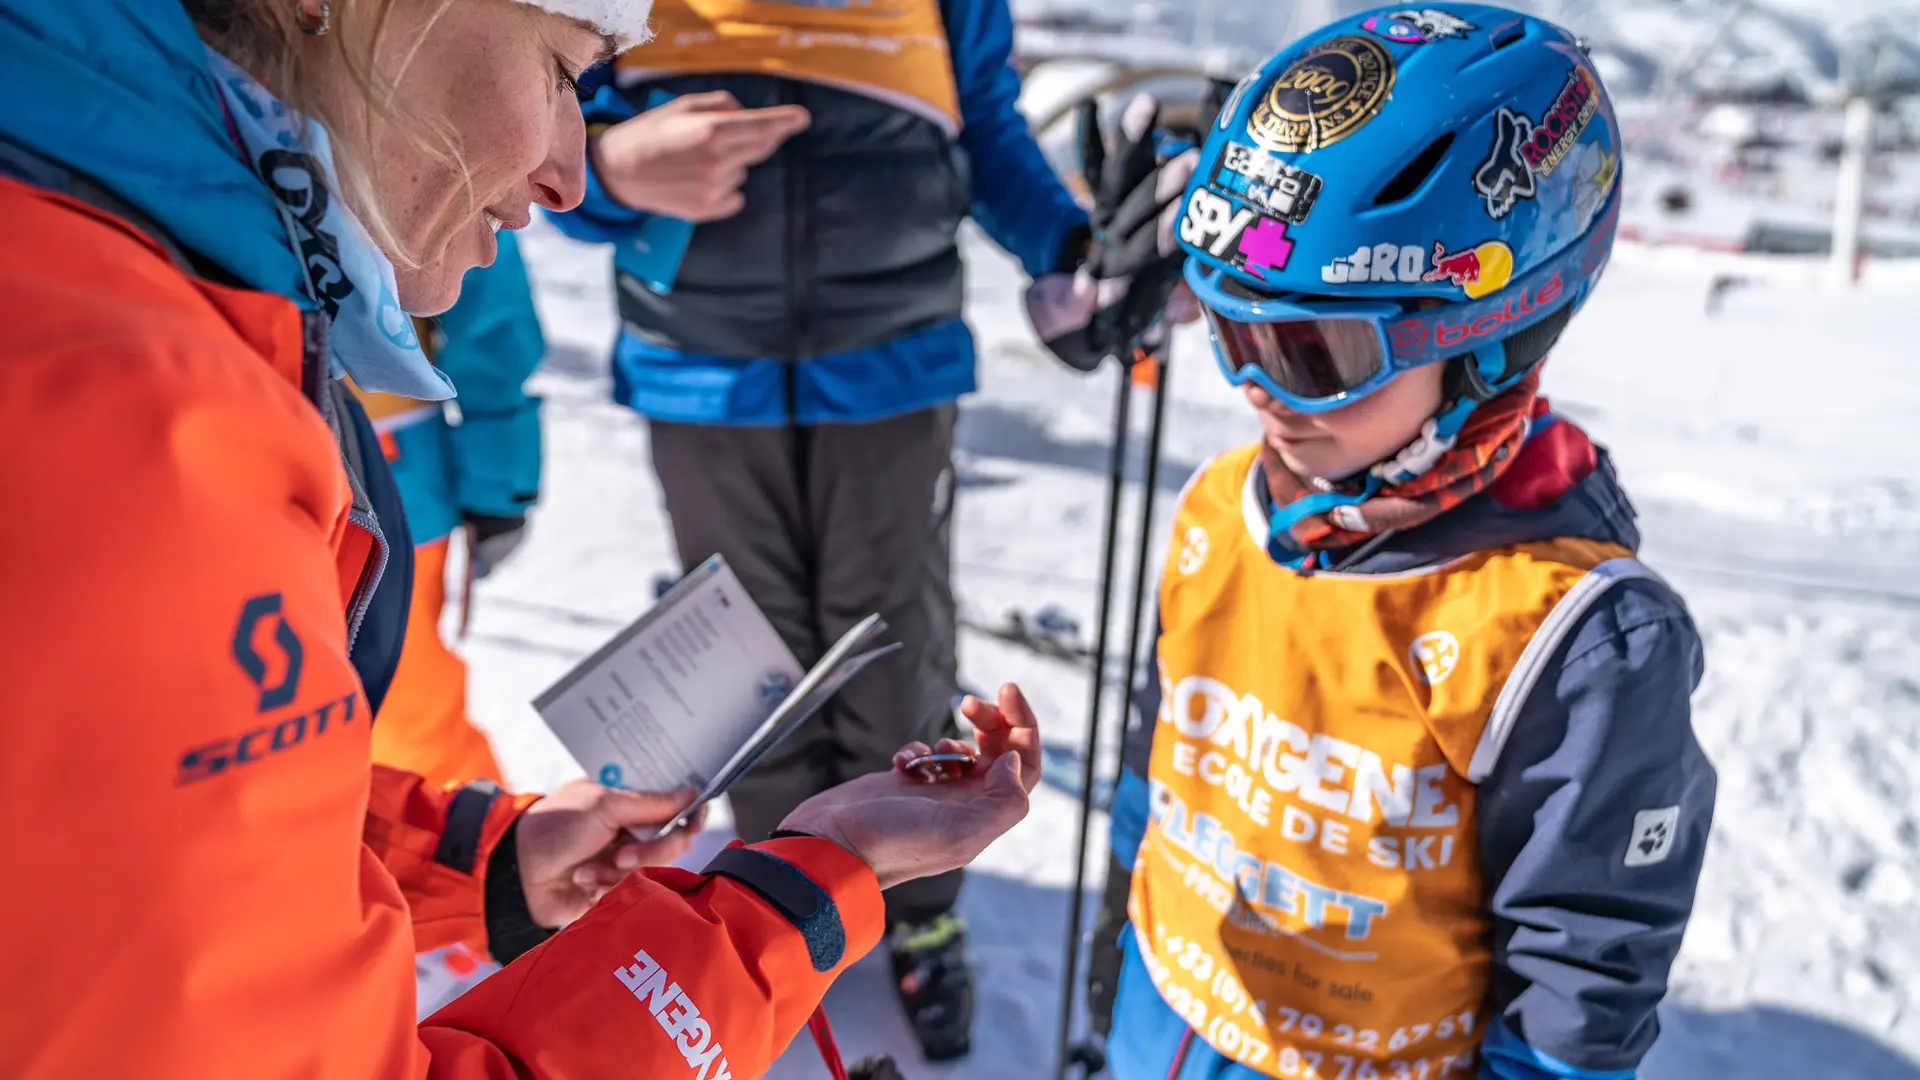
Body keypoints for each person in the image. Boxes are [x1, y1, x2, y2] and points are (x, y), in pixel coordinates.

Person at [0, 1, 1043, 1076]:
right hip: (713, 370)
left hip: (884, 366)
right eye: (558, 67)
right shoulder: (142, 425)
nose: (567, 174)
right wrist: (791, 900)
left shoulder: (116, 303)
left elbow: (142, 849)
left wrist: (476, 864)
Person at [546, 0, 1183, 1058]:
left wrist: (1072, 247)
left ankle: (922, 910)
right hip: (696, 372)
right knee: (749, 673)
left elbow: (984, 125)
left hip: (893, 365)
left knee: (893, 644)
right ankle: (785, 899)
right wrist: (609, 170)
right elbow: (544, 113)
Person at [1095, 7, 1717, 1080]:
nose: (1255, 389)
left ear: (1490, 336)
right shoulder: (1220, 508)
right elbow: (1164, 756)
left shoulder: (1562, 634)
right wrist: (1127, 916)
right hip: (1170, 1024)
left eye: (1314, 350)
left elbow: (1584, 966)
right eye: (1231, 330)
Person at [358, 231, 548, 794]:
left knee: (407, 731)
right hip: (193, 479)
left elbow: (478, 260)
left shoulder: (397, 142)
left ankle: (489, 873)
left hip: (385, 486)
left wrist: (496, 477)